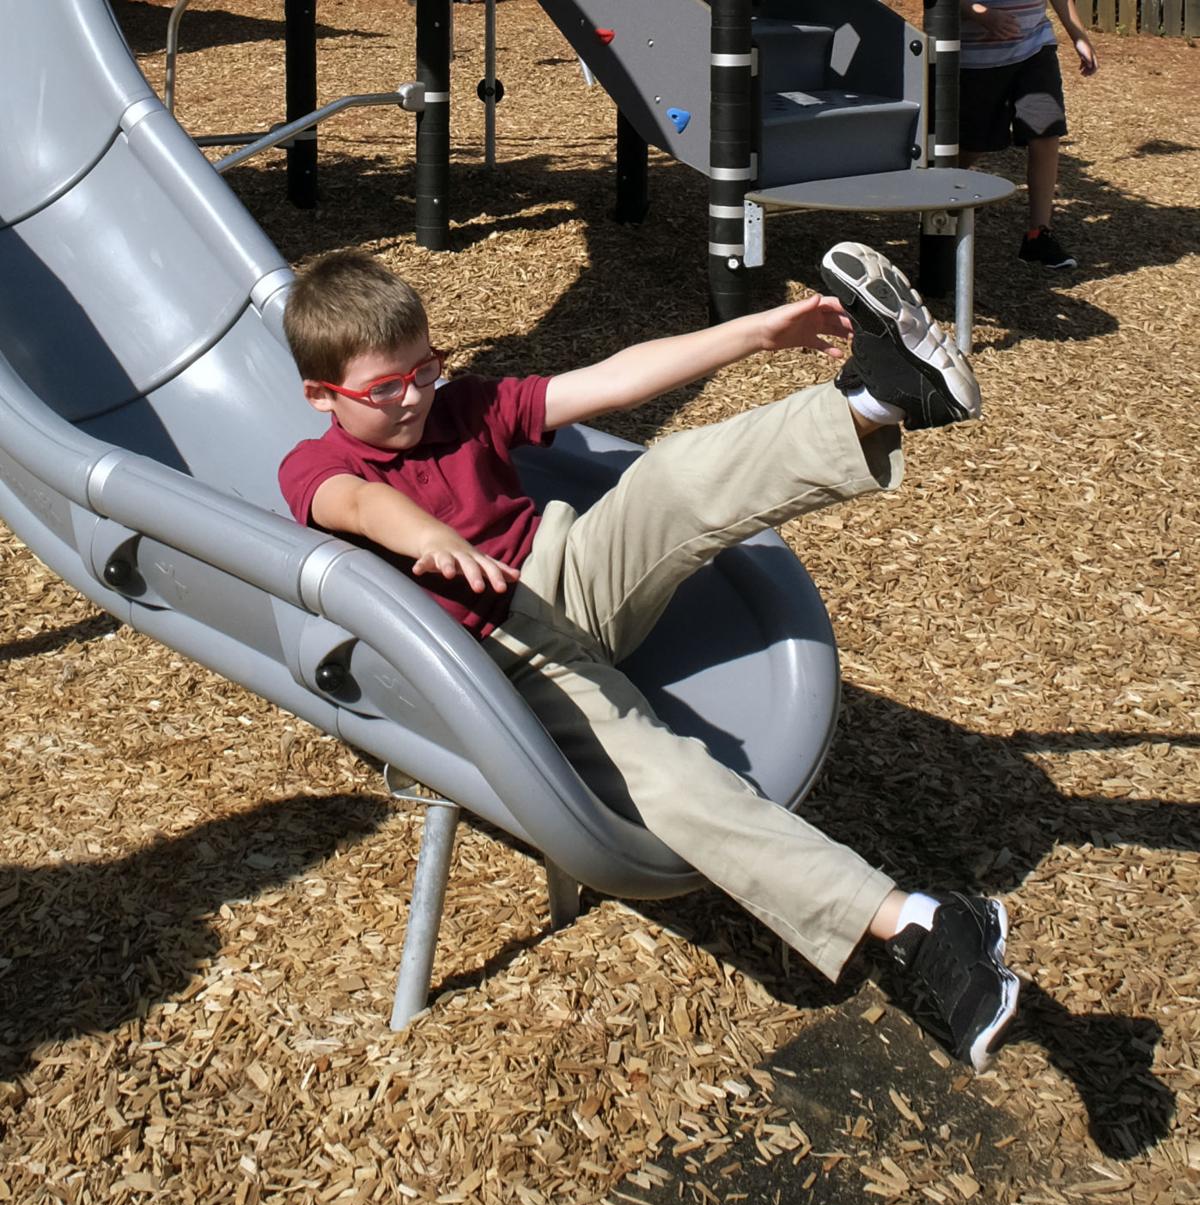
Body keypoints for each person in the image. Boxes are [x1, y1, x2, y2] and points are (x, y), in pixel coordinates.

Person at [278, 242, 1021, 1073]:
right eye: (385, 389)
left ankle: (879, 398)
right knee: (662, 771)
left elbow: (614, 377)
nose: (415, 395)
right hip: (498, 655)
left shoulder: (464, 405)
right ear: (321, 394)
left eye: (426, 368)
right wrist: (431, 539)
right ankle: (917, 922)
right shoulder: (317, 463)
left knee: (670, 477)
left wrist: (757, 332)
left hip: (567, 572)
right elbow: (357, 502)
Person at [959, 0, 1099, 269]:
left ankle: (1039, 234)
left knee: (1046, 131)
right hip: (976, 58)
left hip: (1035, 47)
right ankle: (943, 197)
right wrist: (980, 14)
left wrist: (1078, 35)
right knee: (973, 144)